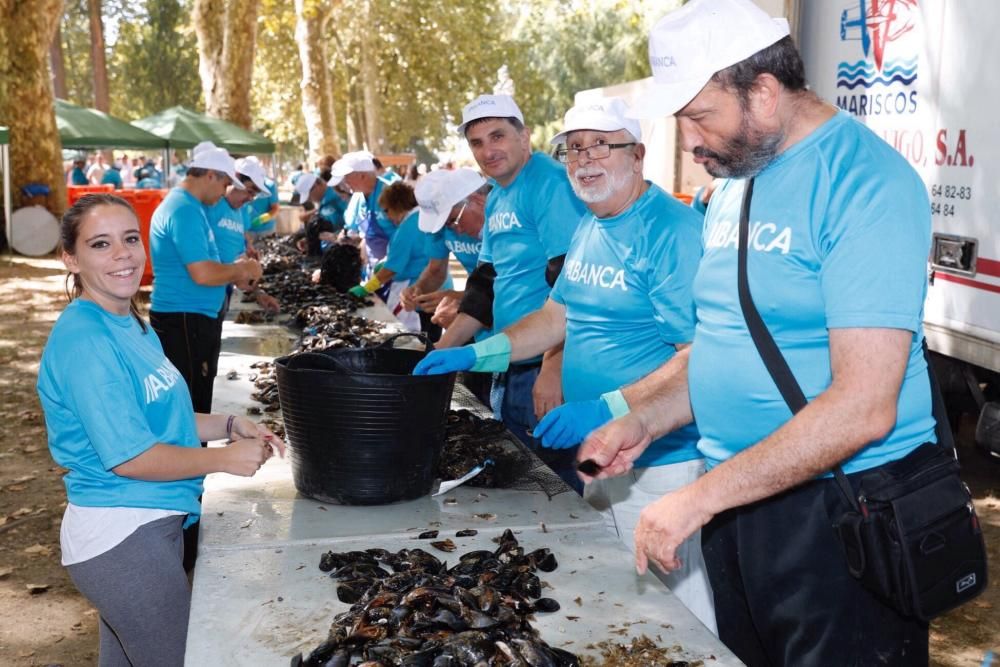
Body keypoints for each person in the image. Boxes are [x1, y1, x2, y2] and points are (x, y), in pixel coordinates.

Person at [576, 1, 936, 664]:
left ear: (764, 92)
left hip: (843, 515)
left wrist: (697, 498)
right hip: (740, 503)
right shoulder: (736, 182)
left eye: (698, 115)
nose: (689, 142)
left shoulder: (864, 182)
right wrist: (645, 417)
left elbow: (864, 405)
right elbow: (725, 340)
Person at [413, 98, 715, 629]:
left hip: (662, 460)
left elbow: (699, 360)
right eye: (575, 147)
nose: (585, 158)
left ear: (638, 155)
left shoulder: (671, 231)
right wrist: (474, 352)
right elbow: (555, 319)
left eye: (603, 144)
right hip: (601, 449)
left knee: (680, 610)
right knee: (624, 597)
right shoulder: (592, 226)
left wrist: (610, 406)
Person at [36, 193, 283, 665]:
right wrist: (222, 459)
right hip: (121, 537)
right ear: (70, 257)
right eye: (101, 244)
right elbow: (132, 457)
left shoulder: (130, 321)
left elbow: (162, 418)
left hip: (151, 523)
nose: (123, 254)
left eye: (130, 238)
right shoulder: (84, 340)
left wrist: (230, 425)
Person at [420, 94, 588, 491]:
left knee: (554, 484)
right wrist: (444, 350)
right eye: (477, 143)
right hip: (509, 360)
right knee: (521, 480)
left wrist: (553, 367)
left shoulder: (549, 184)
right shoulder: (496, 196)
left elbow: (570, 284)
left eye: (497, 136)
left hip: (543, 366)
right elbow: (483, 286)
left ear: (524, 136)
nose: (487, 150)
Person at [148, 147, 262, 415]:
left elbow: (205, 265)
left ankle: (196, 453)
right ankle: (193, 455)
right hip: (184, 320)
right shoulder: (183, 209)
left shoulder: (192, 207)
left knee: (197, 399)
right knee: (190, 405)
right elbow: (202, 273)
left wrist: (237, 271)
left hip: (192, 318)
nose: (224, 192)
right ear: (211, 175)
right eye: (224, 183)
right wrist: (241, 270)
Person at [348, 181, 450, 338]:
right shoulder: (419, 217)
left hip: (417, 292)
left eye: (387, 210)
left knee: (418, 342)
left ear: (397, 205)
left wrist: (367, 288)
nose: (388, 217)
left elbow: (391, 269)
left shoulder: (408, 226)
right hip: (437, 288)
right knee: (431, 335)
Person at [402, 168, 490, 330]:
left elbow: (513, 284)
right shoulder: (445, 228)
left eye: (452, 220)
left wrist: (463, 298)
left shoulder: (506, 216)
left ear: (477, 200)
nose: (457, 230)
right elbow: (435, 270)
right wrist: (418, 289)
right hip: (481, 311)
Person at [206, 157, 280, 317]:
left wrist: (258, 293)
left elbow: (239, 253)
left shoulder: (241, 212)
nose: (250, 199)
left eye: (254, 195)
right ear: (235, 179)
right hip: (198, 298)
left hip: (222, 293)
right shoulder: (209, 206)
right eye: (249, 191)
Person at [336, 150, 398, 275]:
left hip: (397, 268)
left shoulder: (391, 194)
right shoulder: (359, 197)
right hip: (374, 269)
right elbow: (363, 233)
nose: (345, 181)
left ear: (362, 176)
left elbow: (408, 237)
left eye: (347, 176)